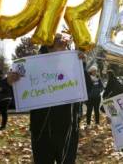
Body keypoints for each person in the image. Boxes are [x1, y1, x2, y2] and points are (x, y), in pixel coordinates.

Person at [8, 33, 92, 164]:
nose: (61, 47)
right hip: (41, 131)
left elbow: (88, 90)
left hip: (67, 129)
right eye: (57, 43)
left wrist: (82, 66)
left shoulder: (73, 62)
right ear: (47, 45)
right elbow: (15, 98)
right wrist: (10, 82)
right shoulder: (32, 67)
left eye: (64, 44)